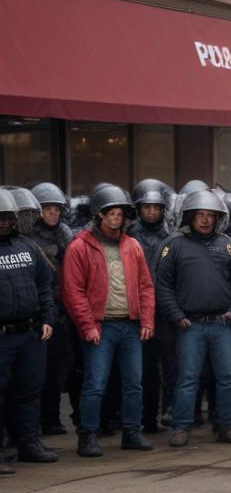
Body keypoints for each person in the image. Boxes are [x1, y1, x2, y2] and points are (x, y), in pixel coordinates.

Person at [61, 186, 156, 457]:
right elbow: (72, 291)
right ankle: (88, 435)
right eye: (111, 213)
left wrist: (147, 319)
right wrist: (87, 325)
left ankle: (131, 432)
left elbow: (145, 286)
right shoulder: (80, 246)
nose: (116, 218)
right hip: (101, 327)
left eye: (120, 213)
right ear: (99, 215)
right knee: (95, 383)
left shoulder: (132, 245)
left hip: (130, 325)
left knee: (134, 383)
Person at [155, 190, 231, 447]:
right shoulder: (174, 245)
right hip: (190, 325)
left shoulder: (227, 244)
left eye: (211, 215)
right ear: (190, 216)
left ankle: (227, 426)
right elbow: (162, 285)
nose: (206, 220)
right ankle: (181, 427)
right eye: (201, 215)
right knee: (187, 378)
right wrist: (177, 316)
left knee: (228, 377)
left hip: (222, 324)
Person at [0, 189, 58, 474]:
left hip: (30, 333)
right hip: (2, 336)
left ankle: (29, 444)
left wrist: (47, 318)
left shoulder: (27, 247)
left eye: (8, 217)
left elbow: (45, 285)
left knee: (29, 392)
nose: (4, 222)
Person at [127, 180, 175, 434]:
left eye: (157, 207)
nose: (152, 212)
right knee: (142, 371)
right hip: (137, 312)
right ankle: (144, 419)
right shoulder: (128, 236)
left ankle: (167, 412)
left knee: (171, 366)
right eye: (147, 207)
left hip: (165, 311)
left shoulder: (170, 236)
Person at [29, 182, 74, 435]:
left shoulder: (65, 234)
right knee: (36, 371)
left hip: (60, 308)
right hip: (36, 309)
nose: (53, 213)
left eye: (57, 209)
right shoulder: (27, 237)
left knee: (57, 367)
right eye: (48, 209)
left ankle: (52, 418)